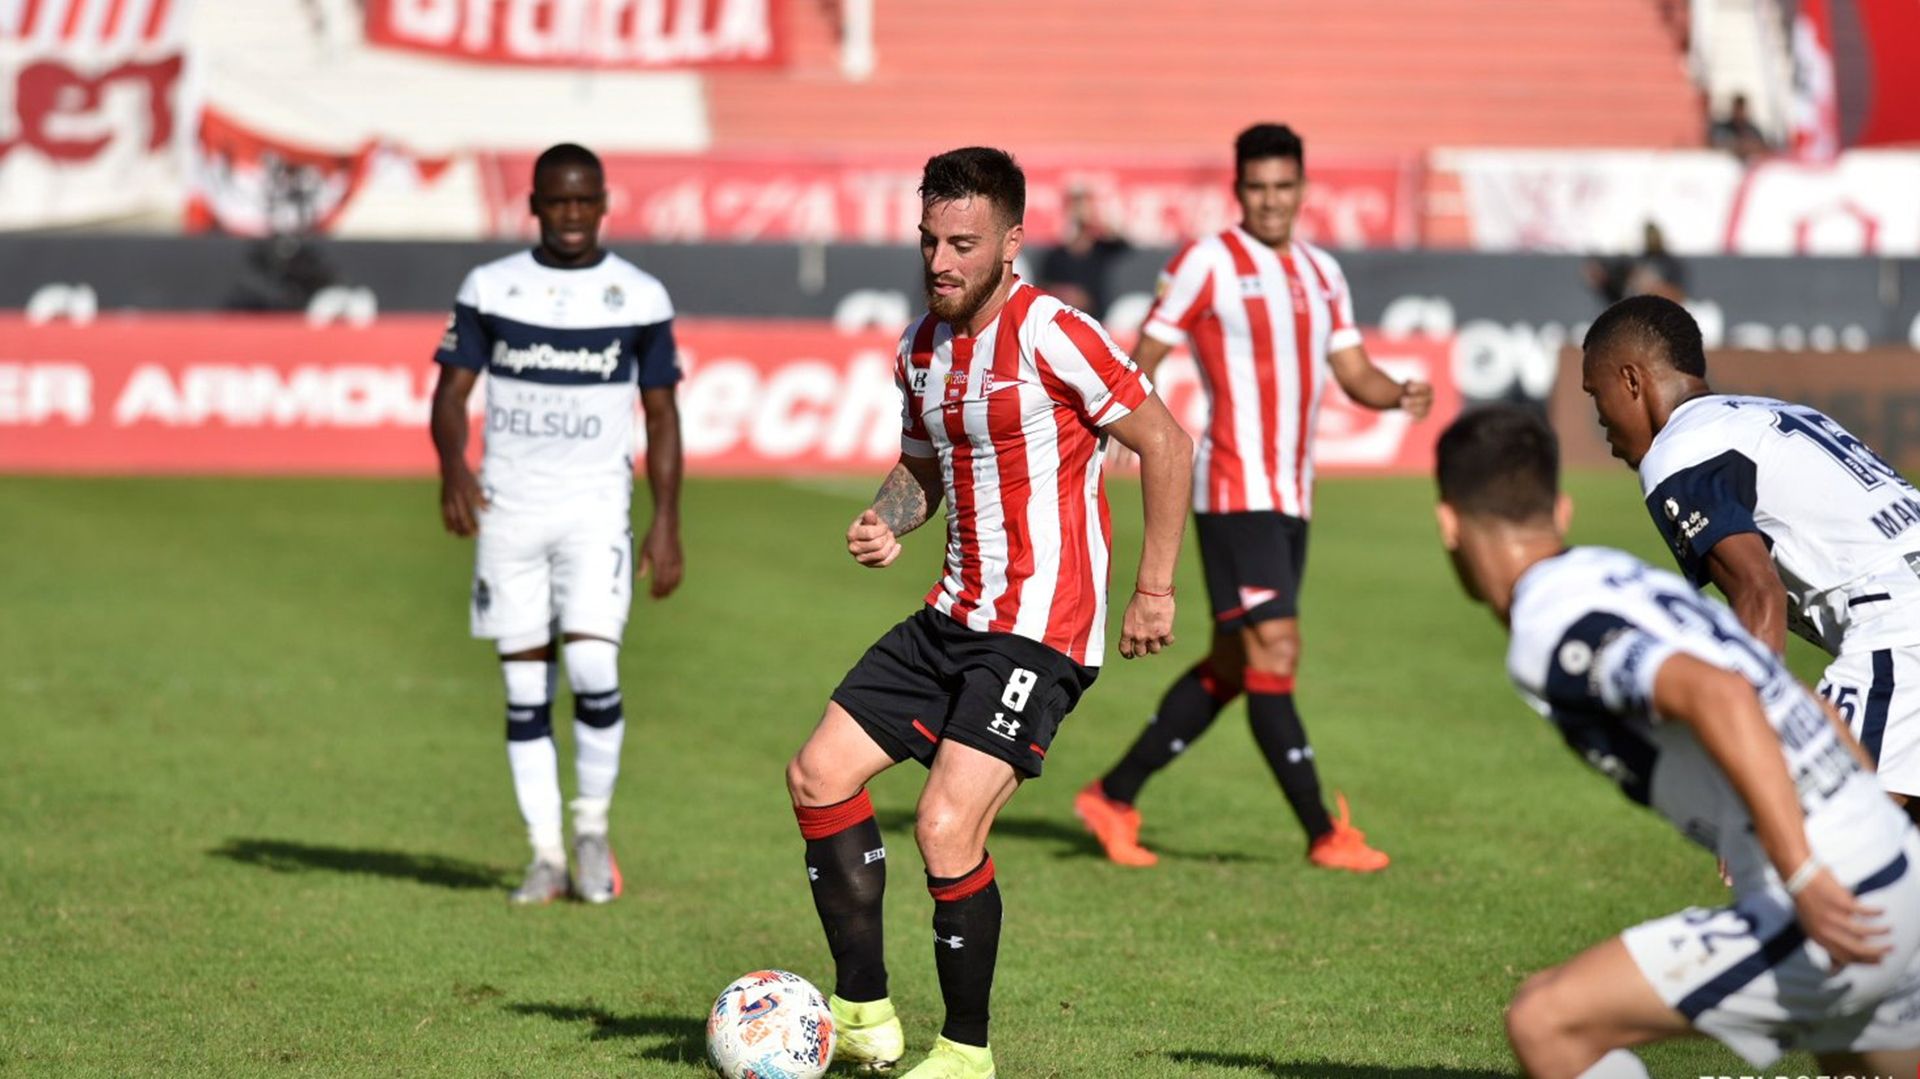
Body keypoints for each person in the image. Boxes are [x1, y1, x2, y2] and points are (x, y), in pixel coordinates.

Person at [783, 146, 1192, 1079]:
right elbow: (923, 468)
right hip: (952, 612)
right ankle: (863, 1011)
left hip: (1042, 627)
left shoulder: (1058, 333)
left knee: (943, 825)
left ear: (1011, 241)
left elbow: (1167, 442)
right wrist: (887, 518)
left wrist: (1155, 586)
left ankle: (966, 1054)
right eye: (929, 240)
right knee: (818, 775)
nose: (940, 262)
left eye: (962, 243)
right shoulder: (918, 347)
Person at [1434, 405, 1920, 1078]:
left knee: (1544, 1020)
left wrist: (1803, 869)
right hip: (1890, 861)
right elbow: (1783, 691)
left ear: (1448, 524)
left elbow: (1718, 695)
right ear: (1563, 511)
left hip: (1832, 891)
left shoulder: (1548, 618)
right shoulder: (1616, 574)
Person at [1075, 123, 1432, 871]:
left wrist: (1398, 392)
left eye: (1283, 186)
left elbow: (1354, 370)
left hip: (1294, 496)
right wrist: (1116, 431)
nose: (1271, 200)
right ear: (1239, 191)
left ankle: (1114, 793)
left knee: (1238, 662)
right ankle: (1323, 831)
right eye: (1258, 188)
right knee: (1278, 647)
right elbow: (1147, 351)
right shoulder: (1206, 262)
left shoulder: (1322, 272)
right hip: (1234, 489)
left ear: (1302, 189)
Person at [428, 142, 684, 905]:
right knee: (523, 686)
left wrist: (666, 518)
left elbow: (663, 414)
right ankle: (543, 854)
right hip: (509, 510)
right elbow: (448, 394)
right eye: (556, 201)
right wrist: (454, 468)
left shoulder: (638, 296)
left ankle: (591, 829)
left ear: (602, 204)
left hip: (595, 509)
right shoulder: (492, 286)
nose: (570, 215)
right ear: (534, 204)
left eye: (583, 201)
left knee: (595, 670)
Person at [1581, 295, 1920, 823]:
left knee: (1813, 850)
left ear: (1630, 380)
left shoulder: (1680, 449)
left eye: (1595, 394)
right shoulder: (1771, 413)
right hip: (1903, 609)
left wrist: (1750, 762)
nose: (1598, 418)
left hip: (1898, 631)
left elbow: (1756, 592)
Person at [1036, 184, 1129, 320]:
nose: (1080, 212)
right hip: (1064, 322)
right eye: (1075, 207)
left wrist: (1098, 221)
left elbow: (1123, 244)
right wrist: (1066, 293)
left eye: (1085, 206)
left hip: (1097, 320)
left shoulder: (1103, 250)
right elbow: (1042, 287)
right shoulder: (1056, 256)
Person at [1709, 92, 1772, 165]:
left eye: (1741, 110)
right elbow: (1716, 144)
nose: (1739, 114)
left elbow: (1763, 147)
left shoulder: (1752, 130)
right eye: (1737, 110)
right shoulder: (1722, 128)